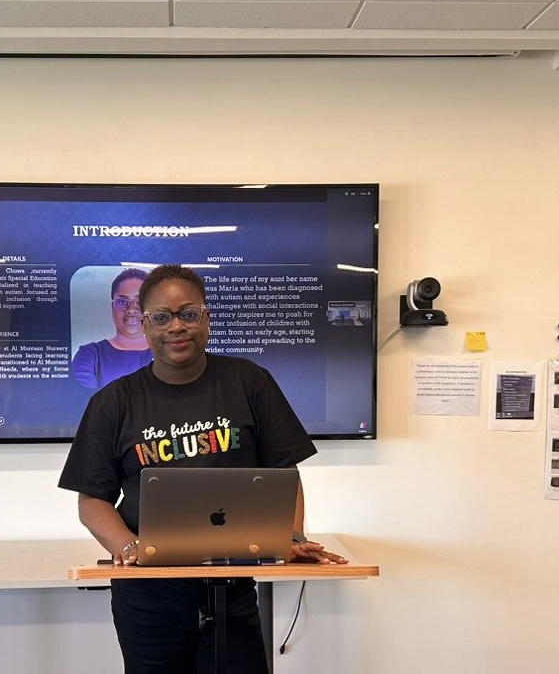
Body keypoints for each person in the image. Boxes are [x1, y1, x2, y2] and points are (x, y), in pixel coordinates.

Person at [58, 263, 347, 674]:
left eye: (188, 314)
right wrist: (129, 548)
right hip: (147, 594)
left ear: (206, 317)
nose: (176, 327)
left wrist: (290, 538)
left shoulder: (250, 381)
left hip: (231, 588)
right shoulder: (113, 402)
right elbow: (93, 501)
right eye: (161, 317)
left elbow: (286, 476)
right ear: (145, 324)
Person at [71, 268, 153, 390]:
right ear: (112, 307)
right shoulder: (90, 356)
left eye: (140, 302)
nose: (131, 309)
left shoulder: (169, 353)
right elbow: (84, 403)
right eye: (122, 302)